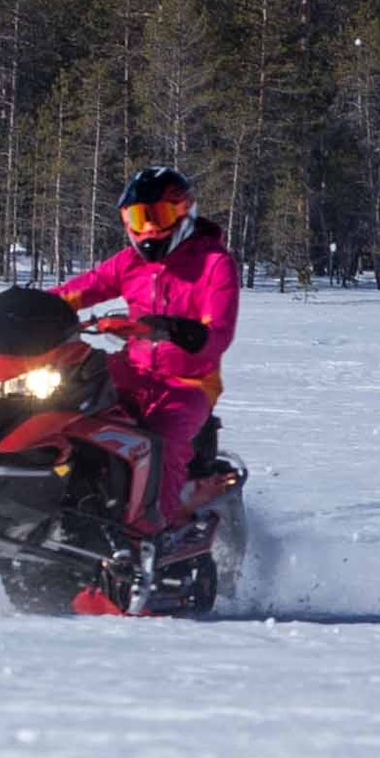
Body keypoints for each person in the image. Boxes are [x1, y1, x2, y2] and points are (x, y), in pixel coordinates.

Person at [57, 164, 238, 516]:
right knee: (63, 399)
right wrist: (25, 307)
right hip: (131, 369)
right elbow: (79, 290)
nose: (150, 228)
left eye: (159, 215)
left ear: (184, 213)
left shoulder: (214, 264)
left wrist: (163, 328)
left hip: (189, 382)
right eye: (140, 218)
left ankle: (155, 529)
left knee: (162, 441)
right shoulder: (129, 263)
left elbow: (217, 334)